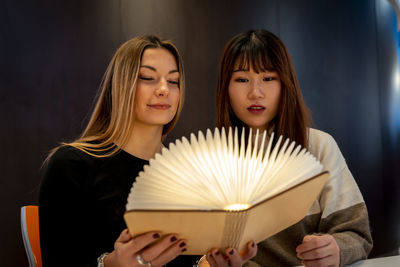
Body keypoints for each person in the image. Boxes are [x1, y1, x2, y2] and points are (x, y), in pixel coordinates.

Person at [203, 29, 373, 267]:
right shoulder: (208, 160)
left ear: (286, 83)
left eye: (268, 78)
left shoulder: (319, 146)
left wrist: (336, 249)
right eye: (242, 79)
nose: (255, 92)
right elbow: (202, 249)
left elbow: (357, 235)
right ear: (226, 88)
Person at [39, 35, 198, 267]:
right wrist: (110, 264)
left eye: (173, 81)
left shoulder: (189, 173)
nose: (164, 90)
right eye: (147, 78)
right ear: (122, 85)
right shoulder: (72, 165)